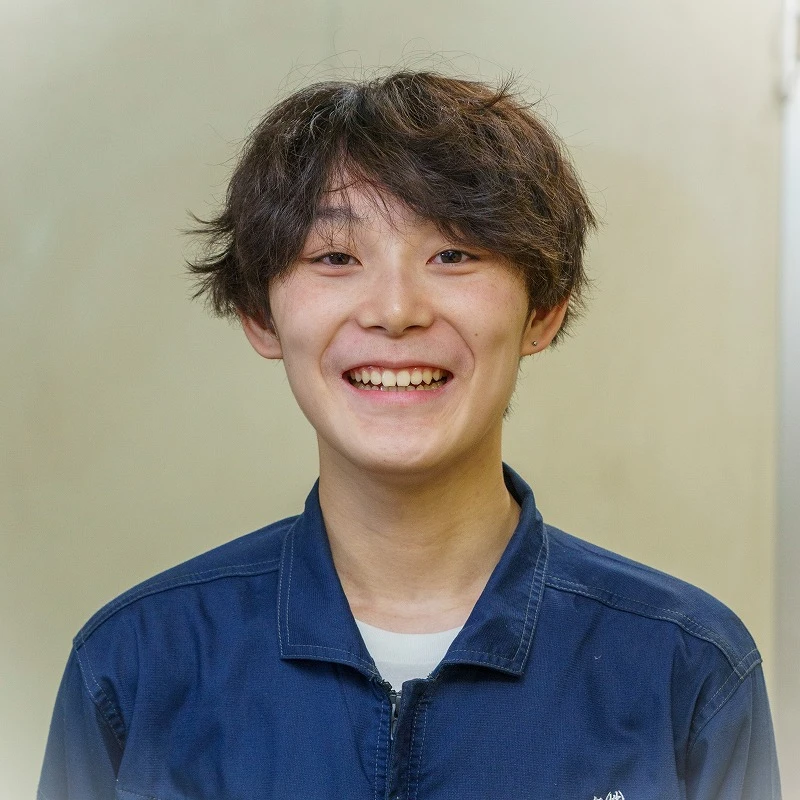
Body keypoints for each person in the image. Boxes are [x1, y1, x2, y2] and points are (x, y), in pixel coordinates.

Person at [38, 71, 780, 800]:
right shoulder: (135, 667)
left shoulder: (686, 671)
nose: (395, 311)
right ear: (261, 317)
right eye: (335, 257)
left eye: (453, 254)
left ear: (543, 310)